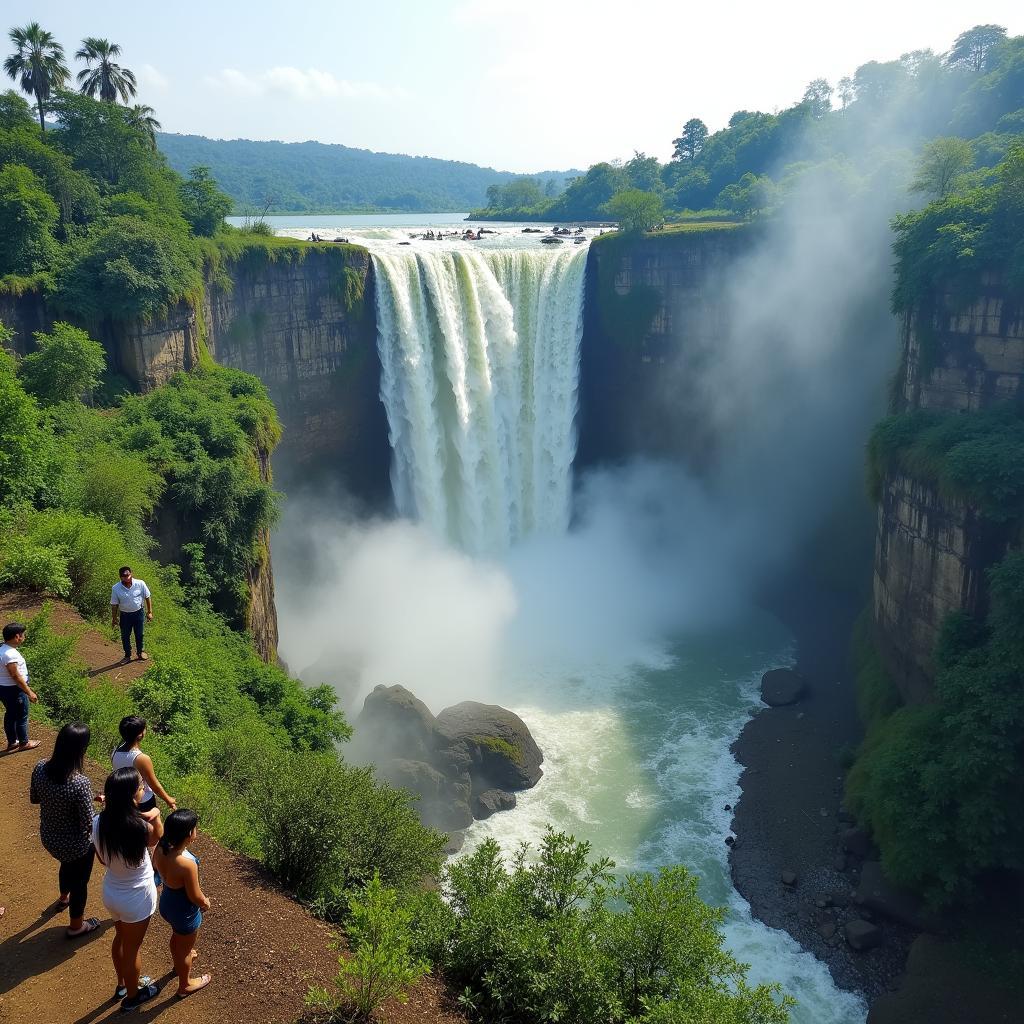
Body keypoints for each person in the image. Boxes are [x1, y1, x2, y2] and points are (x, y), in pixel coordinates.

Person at [93, 766, 163, 1011]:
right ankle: (133, 998)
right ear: (132, 796)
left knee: (121, 939)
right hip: (136, 897)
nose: (143, 790)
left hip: (111, 892)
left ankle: (122, 984)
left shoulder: (98, 822)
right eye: (141, 788)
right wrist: (154, 814)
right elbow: (157, 839)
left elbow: (102, 860)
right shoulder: (141, 827)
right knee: (132, 949)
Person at [29, 723, 101, 937]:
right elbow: (88, 822)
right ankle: (77, 926)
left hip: (49, 837)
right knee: (81, 882)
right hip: (76, 844)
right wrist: (98, 805)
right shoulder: (80, 782)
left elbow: (35, 799)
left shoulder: (40, 767)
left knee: (66, 865)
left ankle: (63, 898)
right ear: (81, 749)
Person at [154, 810, 212, 998]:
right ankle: (184, 985)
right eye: (195, 828)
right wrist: (205, 903)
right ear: (189, 834)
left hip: (167, 902)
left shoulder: (161, 848)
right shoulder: (187, 864)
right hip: (183, 911)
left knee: (177, 938)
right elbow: (195, 896)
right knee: (185, 949)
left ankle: (178, 963)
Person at [112, 716, 176, 813]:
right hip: (143, 801)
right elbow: (153, 784)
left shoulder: (115, 752)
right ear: (140, 735)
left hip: (122, 798)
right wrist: (168, 799)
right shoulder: (141, 758)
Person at [1, 622, 39, 753]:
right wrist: (29, 692)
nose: (24, 637)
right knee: (22, 715)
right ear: (17, 636)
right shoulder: (10, 654)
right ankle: (24, 742)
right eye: (23, 635)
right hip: (14, 690)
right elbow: (15, 676)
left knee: (10, 714)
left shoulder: (3, 649)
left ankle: (12, 742)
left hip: (5, 688)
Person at [110, 567, 152, 665]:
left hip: (138, 613)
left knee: (139, 634)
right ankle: (127, 655)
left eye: (128, 575)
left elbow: (147, 596)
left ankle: (140, 652)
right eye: (124, 576)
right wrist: (114, 618)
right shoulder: (116, 588)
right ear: (120, 577)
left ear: (131, 574)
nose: (127, 578)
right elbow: (114, 604)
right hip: (125, 615)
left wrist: (149, 612)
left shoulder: (140, 583)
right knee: (125, 636)